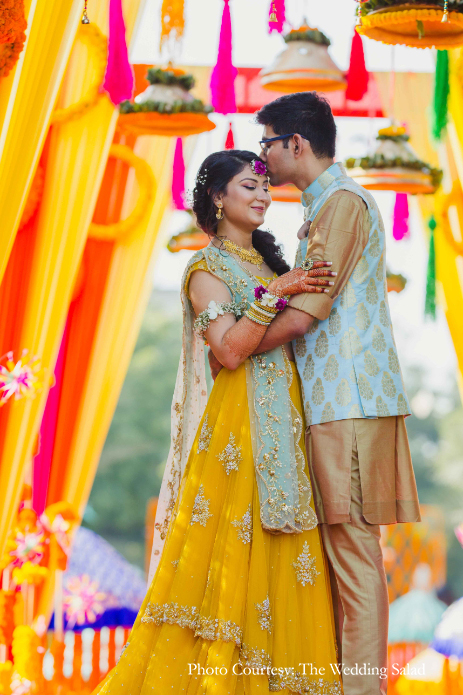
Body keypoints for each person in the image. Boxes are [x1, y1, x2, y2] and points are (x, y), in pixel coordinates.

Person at [93, 150, 343, 695]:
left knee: (288, 556)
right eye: (249, 186)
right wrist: (277, 295)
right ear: (217, 196)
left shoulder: (272, 262)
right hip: (240, 426)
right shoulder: (206, 268)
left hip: (286, 421)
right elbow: (228, 352)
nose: (261, 195)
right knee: (231, 560)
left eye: (264, 186)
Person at [225, 92, 418, 695]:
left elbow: (306, 315)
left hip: (348, 403)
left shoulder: (339, 205)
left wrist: (235, 343)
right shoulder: (326, 206)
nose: (262, 160)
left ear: (295, 144)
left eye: (266, 144)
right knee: (341, 563)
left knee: (355, 563)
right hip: (342, 404)